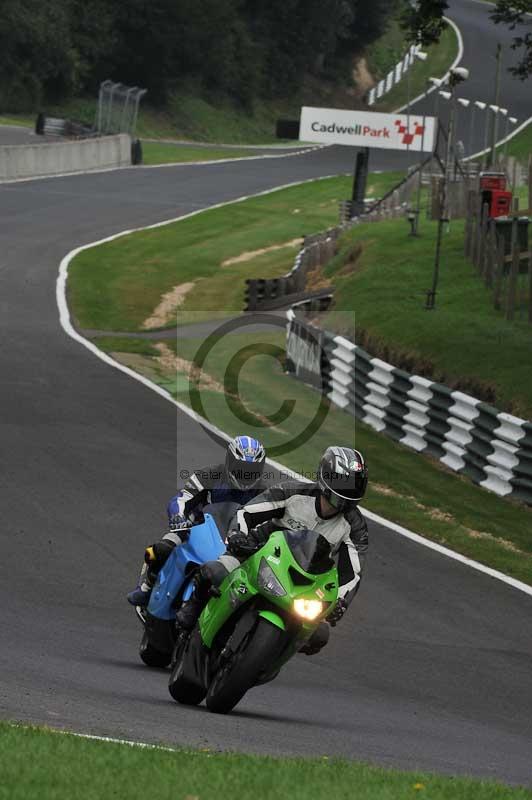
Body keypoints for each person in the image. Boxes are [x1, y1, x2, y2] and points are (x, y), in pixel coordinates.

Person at [176, 446, 369, 654]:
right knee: (214, 571)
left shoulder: (355, 526)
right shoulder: (293, 492)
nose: (346, 493)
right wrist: (238, 536)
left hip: (304, 582)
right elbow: (247, 512)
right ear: (325, 477)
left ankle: (271, 654)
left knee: (320, 634)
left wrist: (341, 600)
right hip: (259, 553)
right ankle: (193, 607)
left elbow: (353, 572)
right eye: (342, 484)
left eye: (354, 486)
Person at [127, 436, 267, 606]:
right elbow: (181, 498)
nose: (246, 474)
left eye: (252, 470)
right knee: (160, 548)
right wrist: (178, 516)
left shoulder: (263, 492)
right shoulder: (209, 475)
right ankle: (146, 586)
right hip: (196, 527)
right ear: (230, 462)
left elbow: (268, 520)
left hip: (234, 540)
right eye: (241, 468)